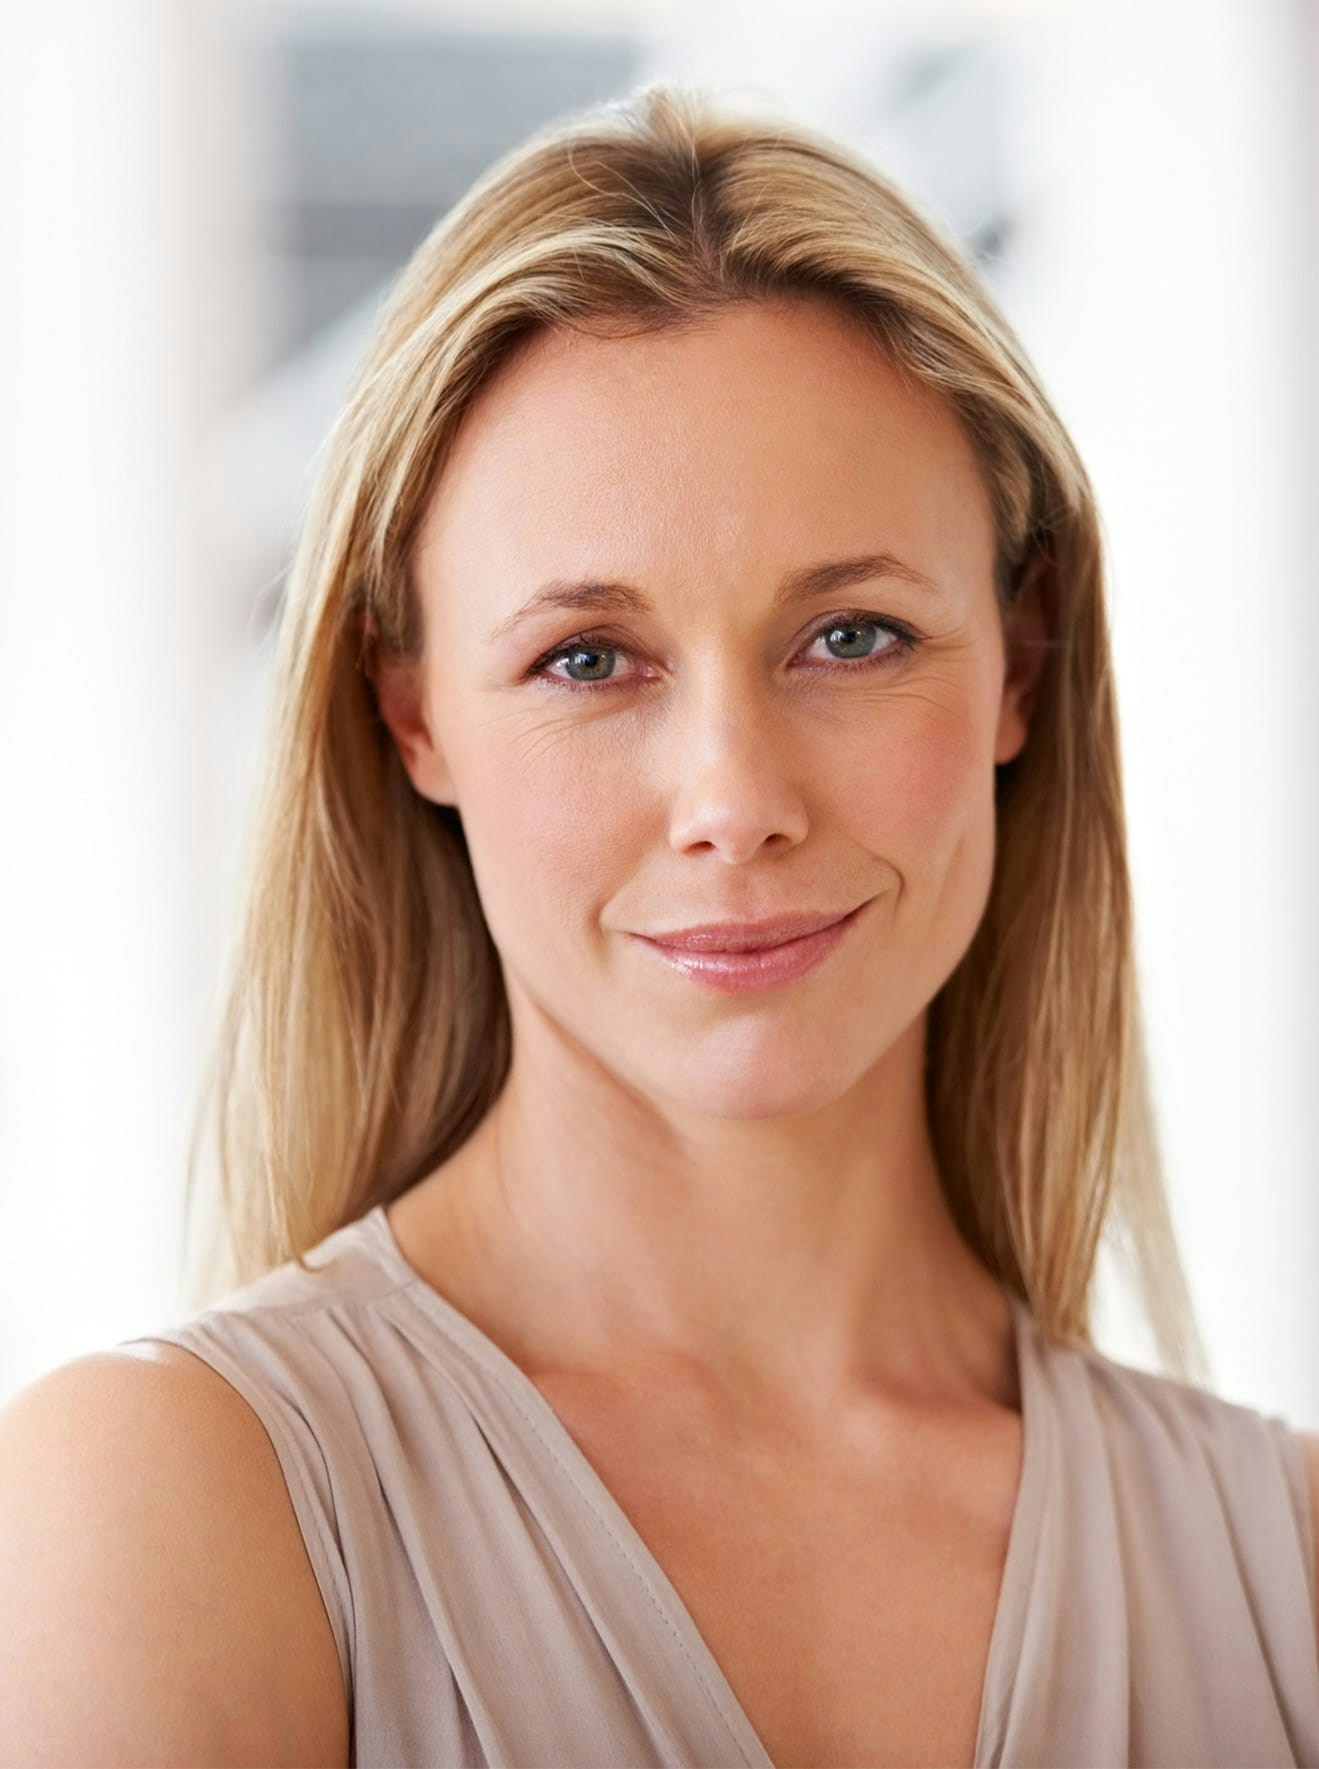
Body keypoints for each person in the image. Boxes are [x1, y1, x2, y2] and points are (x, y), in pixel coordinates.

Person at [2, 81, 1317, 1769]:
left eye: (850, 636)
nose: (734, 795)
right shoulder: (168, 1519)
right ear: (411, 716)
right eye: (587, 659)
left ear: (1022, 656)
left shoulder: (1284, 1571)